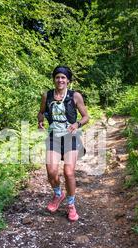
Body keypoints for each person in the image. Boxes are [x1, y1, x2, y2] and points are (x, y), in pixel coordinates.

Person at [37, 66, 90, 221]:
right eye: (57, 77)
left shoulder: (75, 96)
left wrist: (77, 124)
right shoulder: (47, 95)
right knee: (51, 171)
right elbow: (41, 112)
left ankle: (71, 205)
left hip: (70, 138)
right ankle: (58, 195)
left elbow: (86, 117)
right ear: (54, 79)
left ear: (68, 80)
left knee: (68, 172)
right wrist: (40, 121)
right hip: (53, 137)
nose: (60, 80)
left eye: (63, 78)